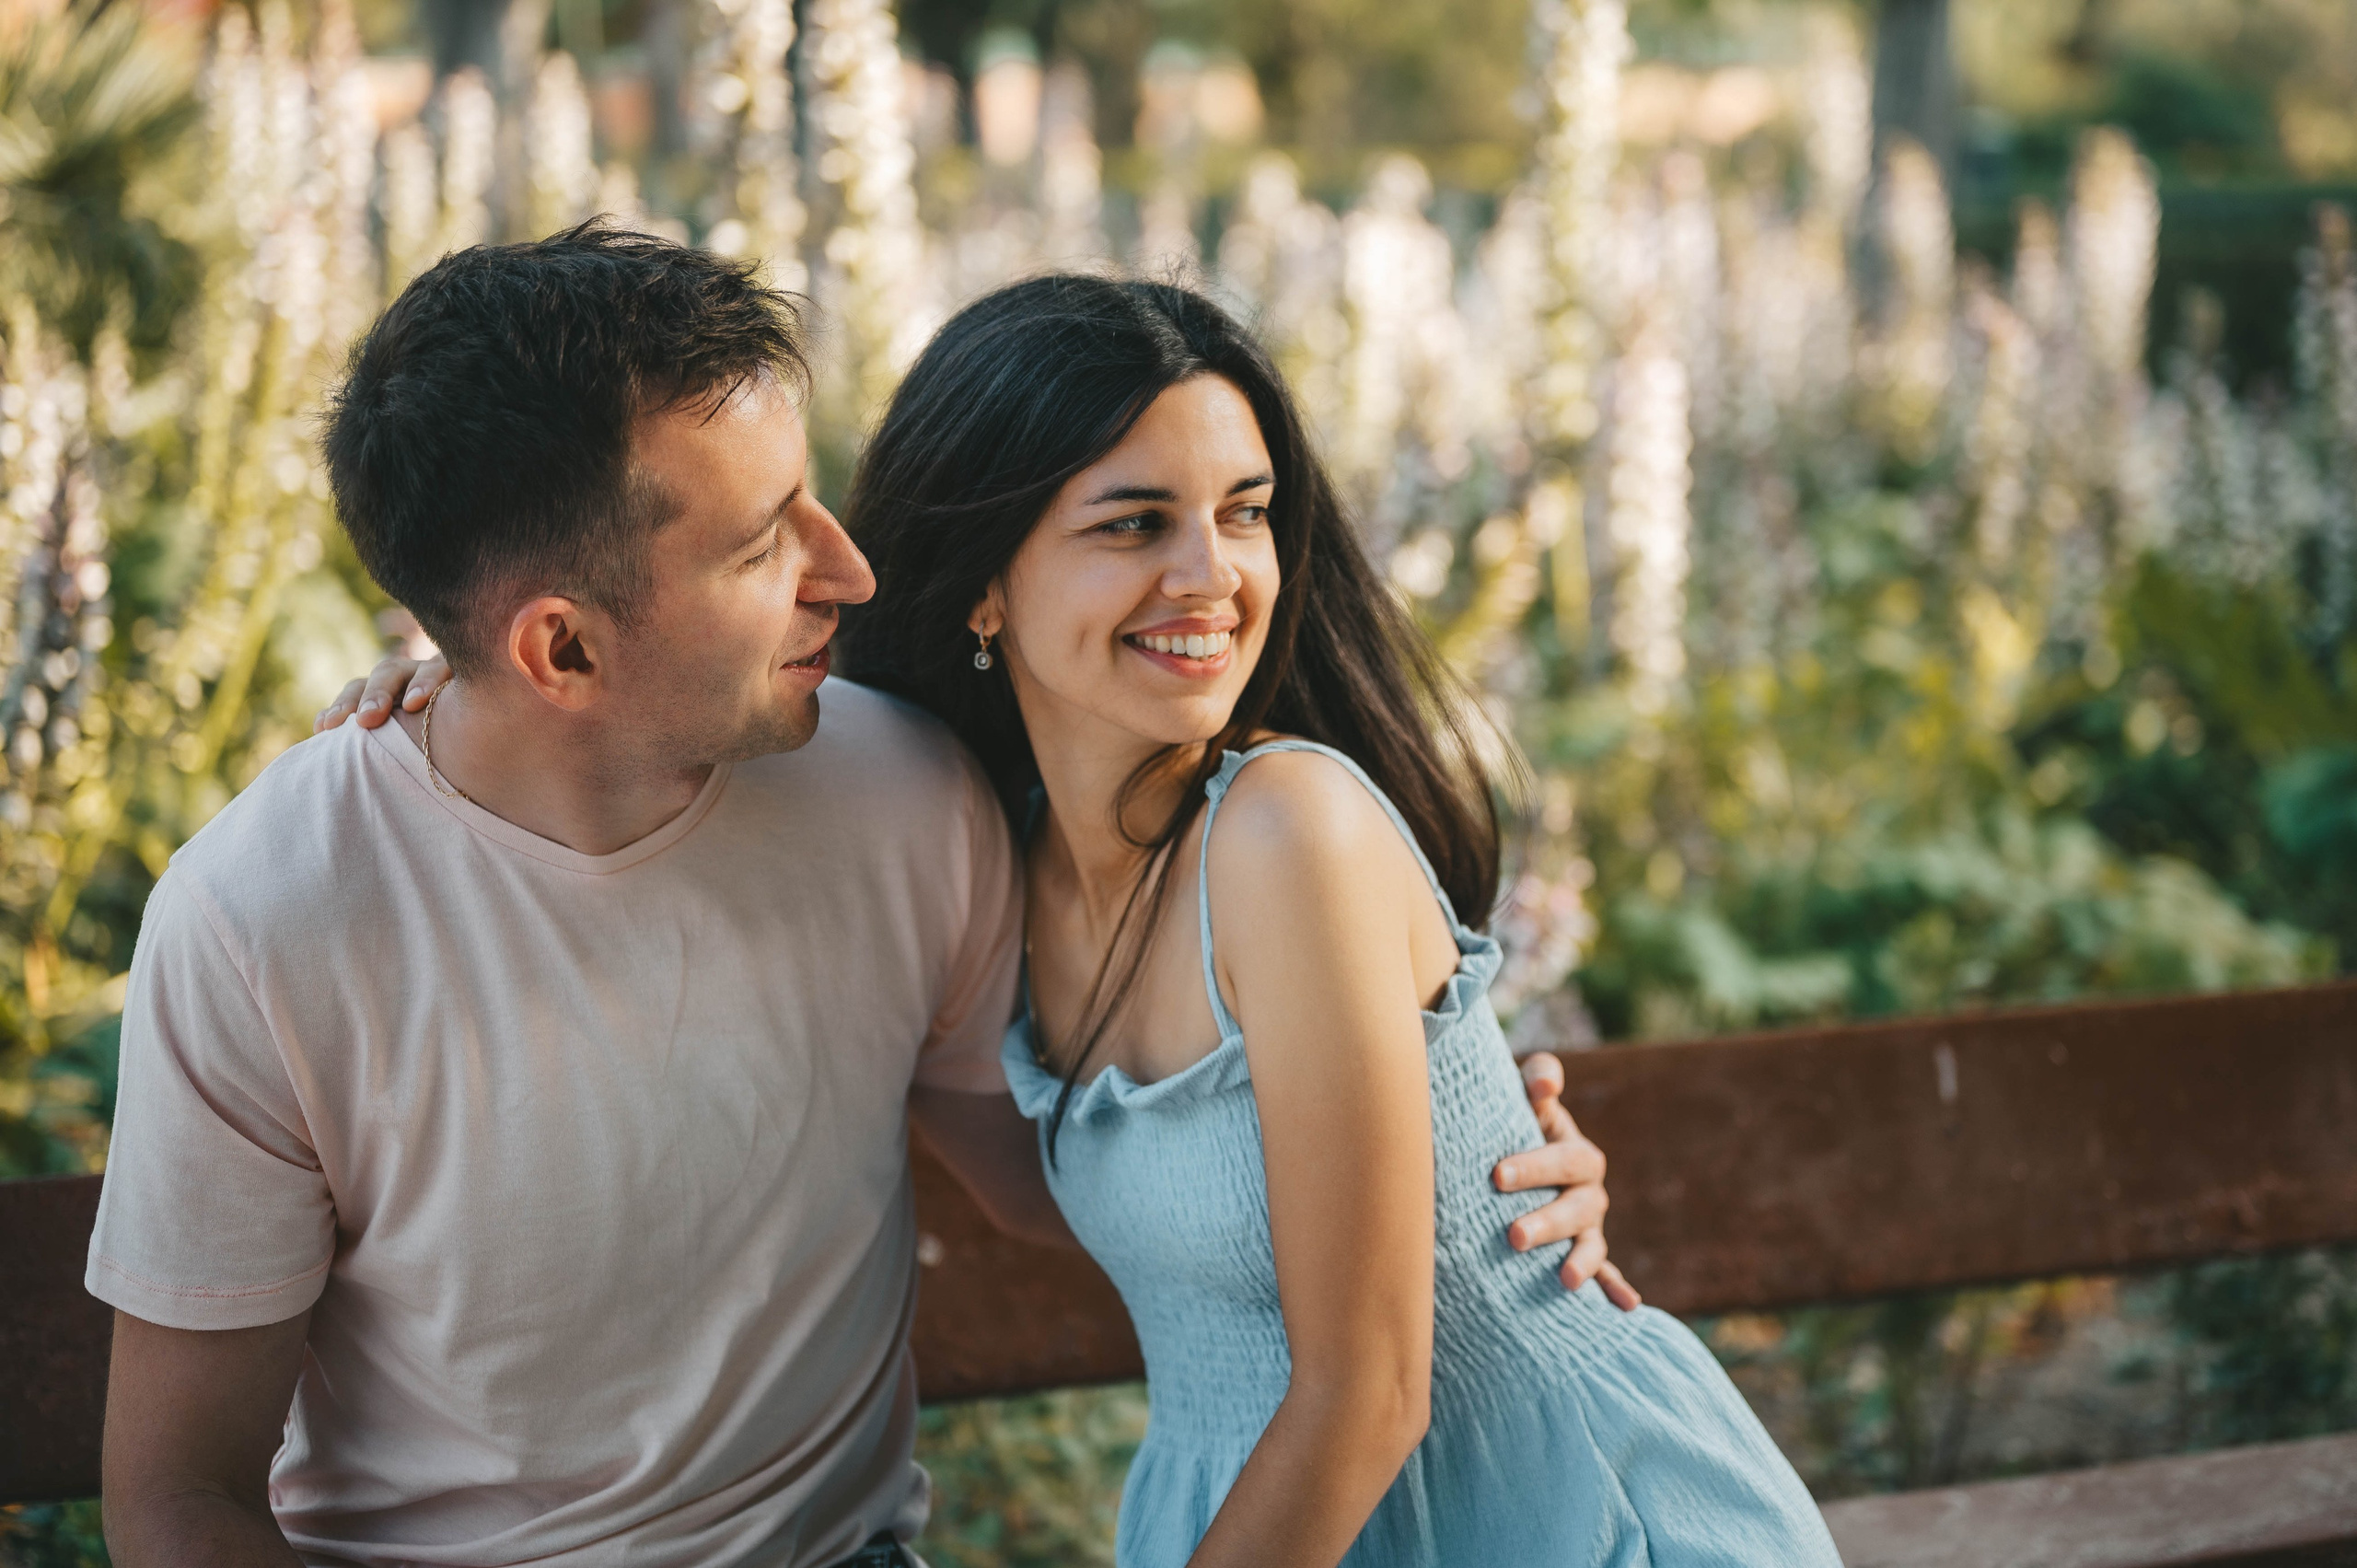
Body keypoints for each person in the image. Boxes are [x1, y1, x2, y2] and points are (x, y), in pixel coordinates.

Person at [103, 226, 1620, 1568]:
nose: (853, 570)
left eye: (811, 501)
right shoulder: (263, 918)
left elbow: (1076, 1168)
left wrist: (1466, 1151)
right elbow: (178, 1502)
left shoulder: (902, 791)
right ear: (558, 653)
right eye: (767, 543)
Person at [833, 275, 1842, 1567]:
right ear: (982, 587)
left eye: (1243, 514)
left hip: (1545, 1519)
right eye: (1135, 525)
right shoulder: (992, 867)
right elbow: (1067, 1191)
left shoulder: (1285, 830)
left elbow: (1370, 1389)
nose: (1212, 577)